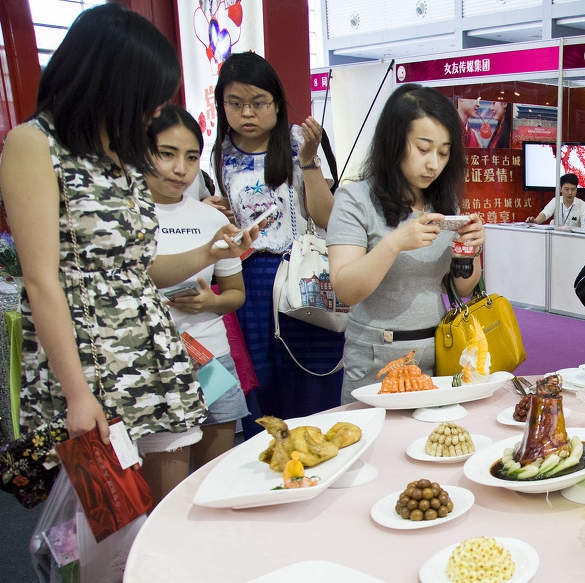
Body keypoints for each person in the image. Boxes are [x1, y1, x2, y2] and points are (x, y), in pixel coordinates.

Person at [0, 4, 255, 583]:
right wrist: (78, 396)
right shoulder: (33, 145)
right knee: (91, 533)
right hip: (89, 370)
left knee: (160, 516)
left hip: (150, 353)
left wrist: (208, 253)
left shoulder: (115, 155)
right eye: (144, 91)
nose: (150, 110)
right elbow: (44, 280)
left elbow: (136, 265)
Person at [327, 85, 485, 402]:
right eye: (423, 149)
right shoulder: (355, 199)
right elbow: (345, 289)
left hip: (438, 353)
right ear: (394, 142)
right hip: (376, 358)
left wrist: (470, 249)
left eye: (443, 152)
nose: (434, 164)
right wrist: (395, 242)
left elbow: (464, 289)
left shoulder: (445, 201)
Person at [210, 51, 337, 437]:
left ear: (277, 103)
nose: (247, 112)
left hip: (301, 269)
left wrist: (310, 161)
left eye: (258, 102)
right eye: (235, 103)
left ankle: (320, 444)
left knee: (311, 370)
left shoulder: (300, 139)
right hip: (248, 277)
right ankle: (266, 453)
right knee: (260, 381)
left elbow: (327, 216)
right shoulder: (222, 151)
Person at [147, 105, 248, 467]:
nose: (180, 169)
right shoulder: (129, 215)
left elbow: (235, 295)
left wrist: (208, 301)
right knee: (166, 484)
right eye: (167, 154)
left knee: (215, 475)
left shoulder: (210, 218)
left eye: (191, 157)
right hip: (153, 361)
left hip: (211, 357)